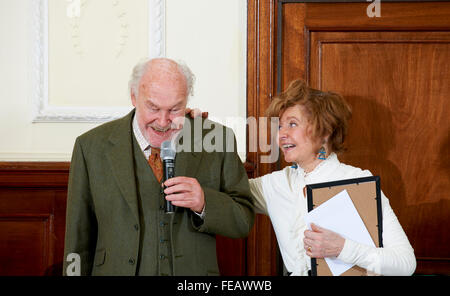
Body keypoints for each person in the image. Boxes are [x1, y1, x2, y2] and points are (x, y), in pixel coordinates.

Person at [62, 58, 255, 276]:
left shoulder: (217, 139)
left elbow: (243, 220)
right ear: (134, 97)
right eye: (153, 107)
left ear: (187, 101)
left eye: (175, 109)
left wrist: (204, 203)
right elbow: (77, 241)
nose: (163, 122)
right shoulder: (91, 147)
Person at [249, 79, 416, 276]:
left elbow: (406, 263)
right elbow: (222, 188)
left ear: (325, 131)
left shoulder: (358, 180)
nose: (281, 135)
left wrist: (342, 248)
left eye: (292, 124)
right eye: (279, 126)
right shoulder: (274, 184)